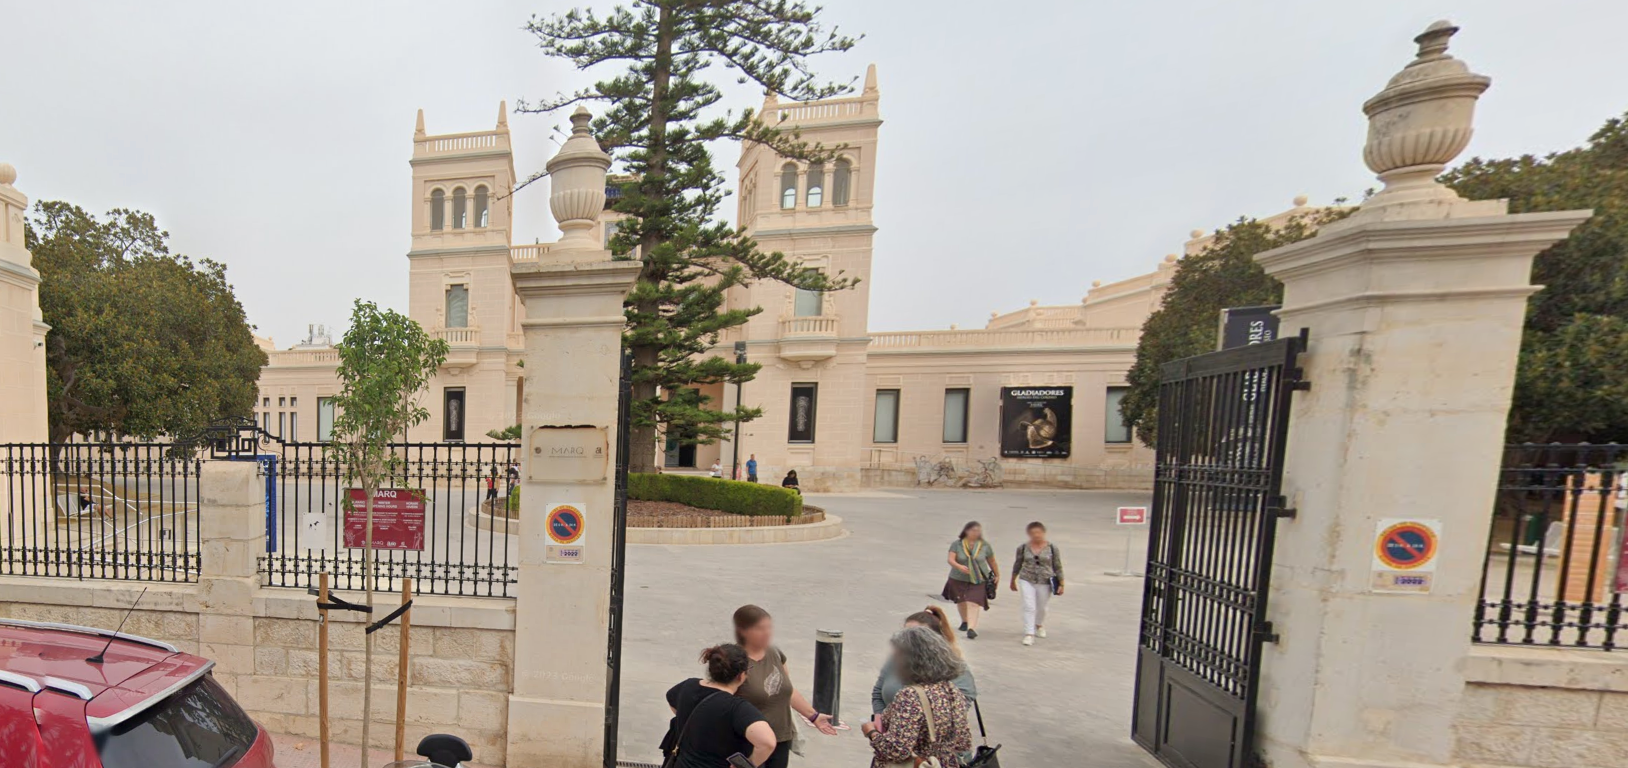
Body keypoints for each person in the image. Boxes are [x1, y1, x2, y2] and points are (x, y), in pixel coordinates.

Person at [732, 605, 839, 767]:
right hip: (749, 741)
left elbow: (787, 689)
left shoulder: (774, 653)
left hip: (780, 738)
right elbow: (722, 699)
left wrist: (814, 716)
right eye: (760, 628)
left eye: (769, 627)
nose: (767, 632)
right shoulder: (734, 660)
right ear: (743, 631)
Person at [860, 627, 973, 768]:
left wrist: (870, 731)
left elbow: (897, 750)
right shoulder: (951, 690)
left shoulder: (910, 696)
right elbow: (963, 741)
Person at [663, 644, 778, 768]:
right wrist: (748, 764)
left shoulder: (687, 686)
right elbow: (767, 743)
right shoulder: (736, 708)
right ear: (741, 675)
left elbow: (671, 699)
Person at [871, 606, 977, 723]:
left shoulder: (953, 665)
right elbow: (878, 692)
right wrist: (879, 718)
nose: (909, 638)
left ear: (935, 638)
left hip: (930, 735)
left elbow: (962, 702)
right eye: (905, 633)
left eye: (919, 634)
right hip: (890, 730)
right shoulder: (896, 658)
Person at [1010, 521, 1065, 646]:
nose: (1036, 535)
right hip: (1026, 578)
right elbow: (1017, 563)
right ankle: (1029, 634)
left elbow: (1057, 565)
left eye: (1038, 532)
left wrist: (1062, 583)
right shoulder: (1023, 547)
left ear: (1043, 533)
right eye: (1033, 533)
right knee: (1029, 606)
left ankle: (1039, 624)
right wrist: (1013, 579)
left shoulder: (1052, 548)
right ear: (1029, 534)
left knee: (1042, 607)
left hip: (1045, 580)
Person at [941, 521, 999, 639]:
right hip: (958, 577)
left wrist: (997, 574)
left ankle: (971, 628)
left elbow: (992, 561)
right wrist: (959, 566)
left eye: (978, 531)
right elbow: (950, 559)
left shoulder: (985, 545)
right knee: (961, 601)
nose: (976, 533)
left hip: (979, 578)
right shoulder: (957, 544)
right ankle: (965, 621)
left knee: (974, 603)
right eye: (973, 530)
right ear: (966, 531)